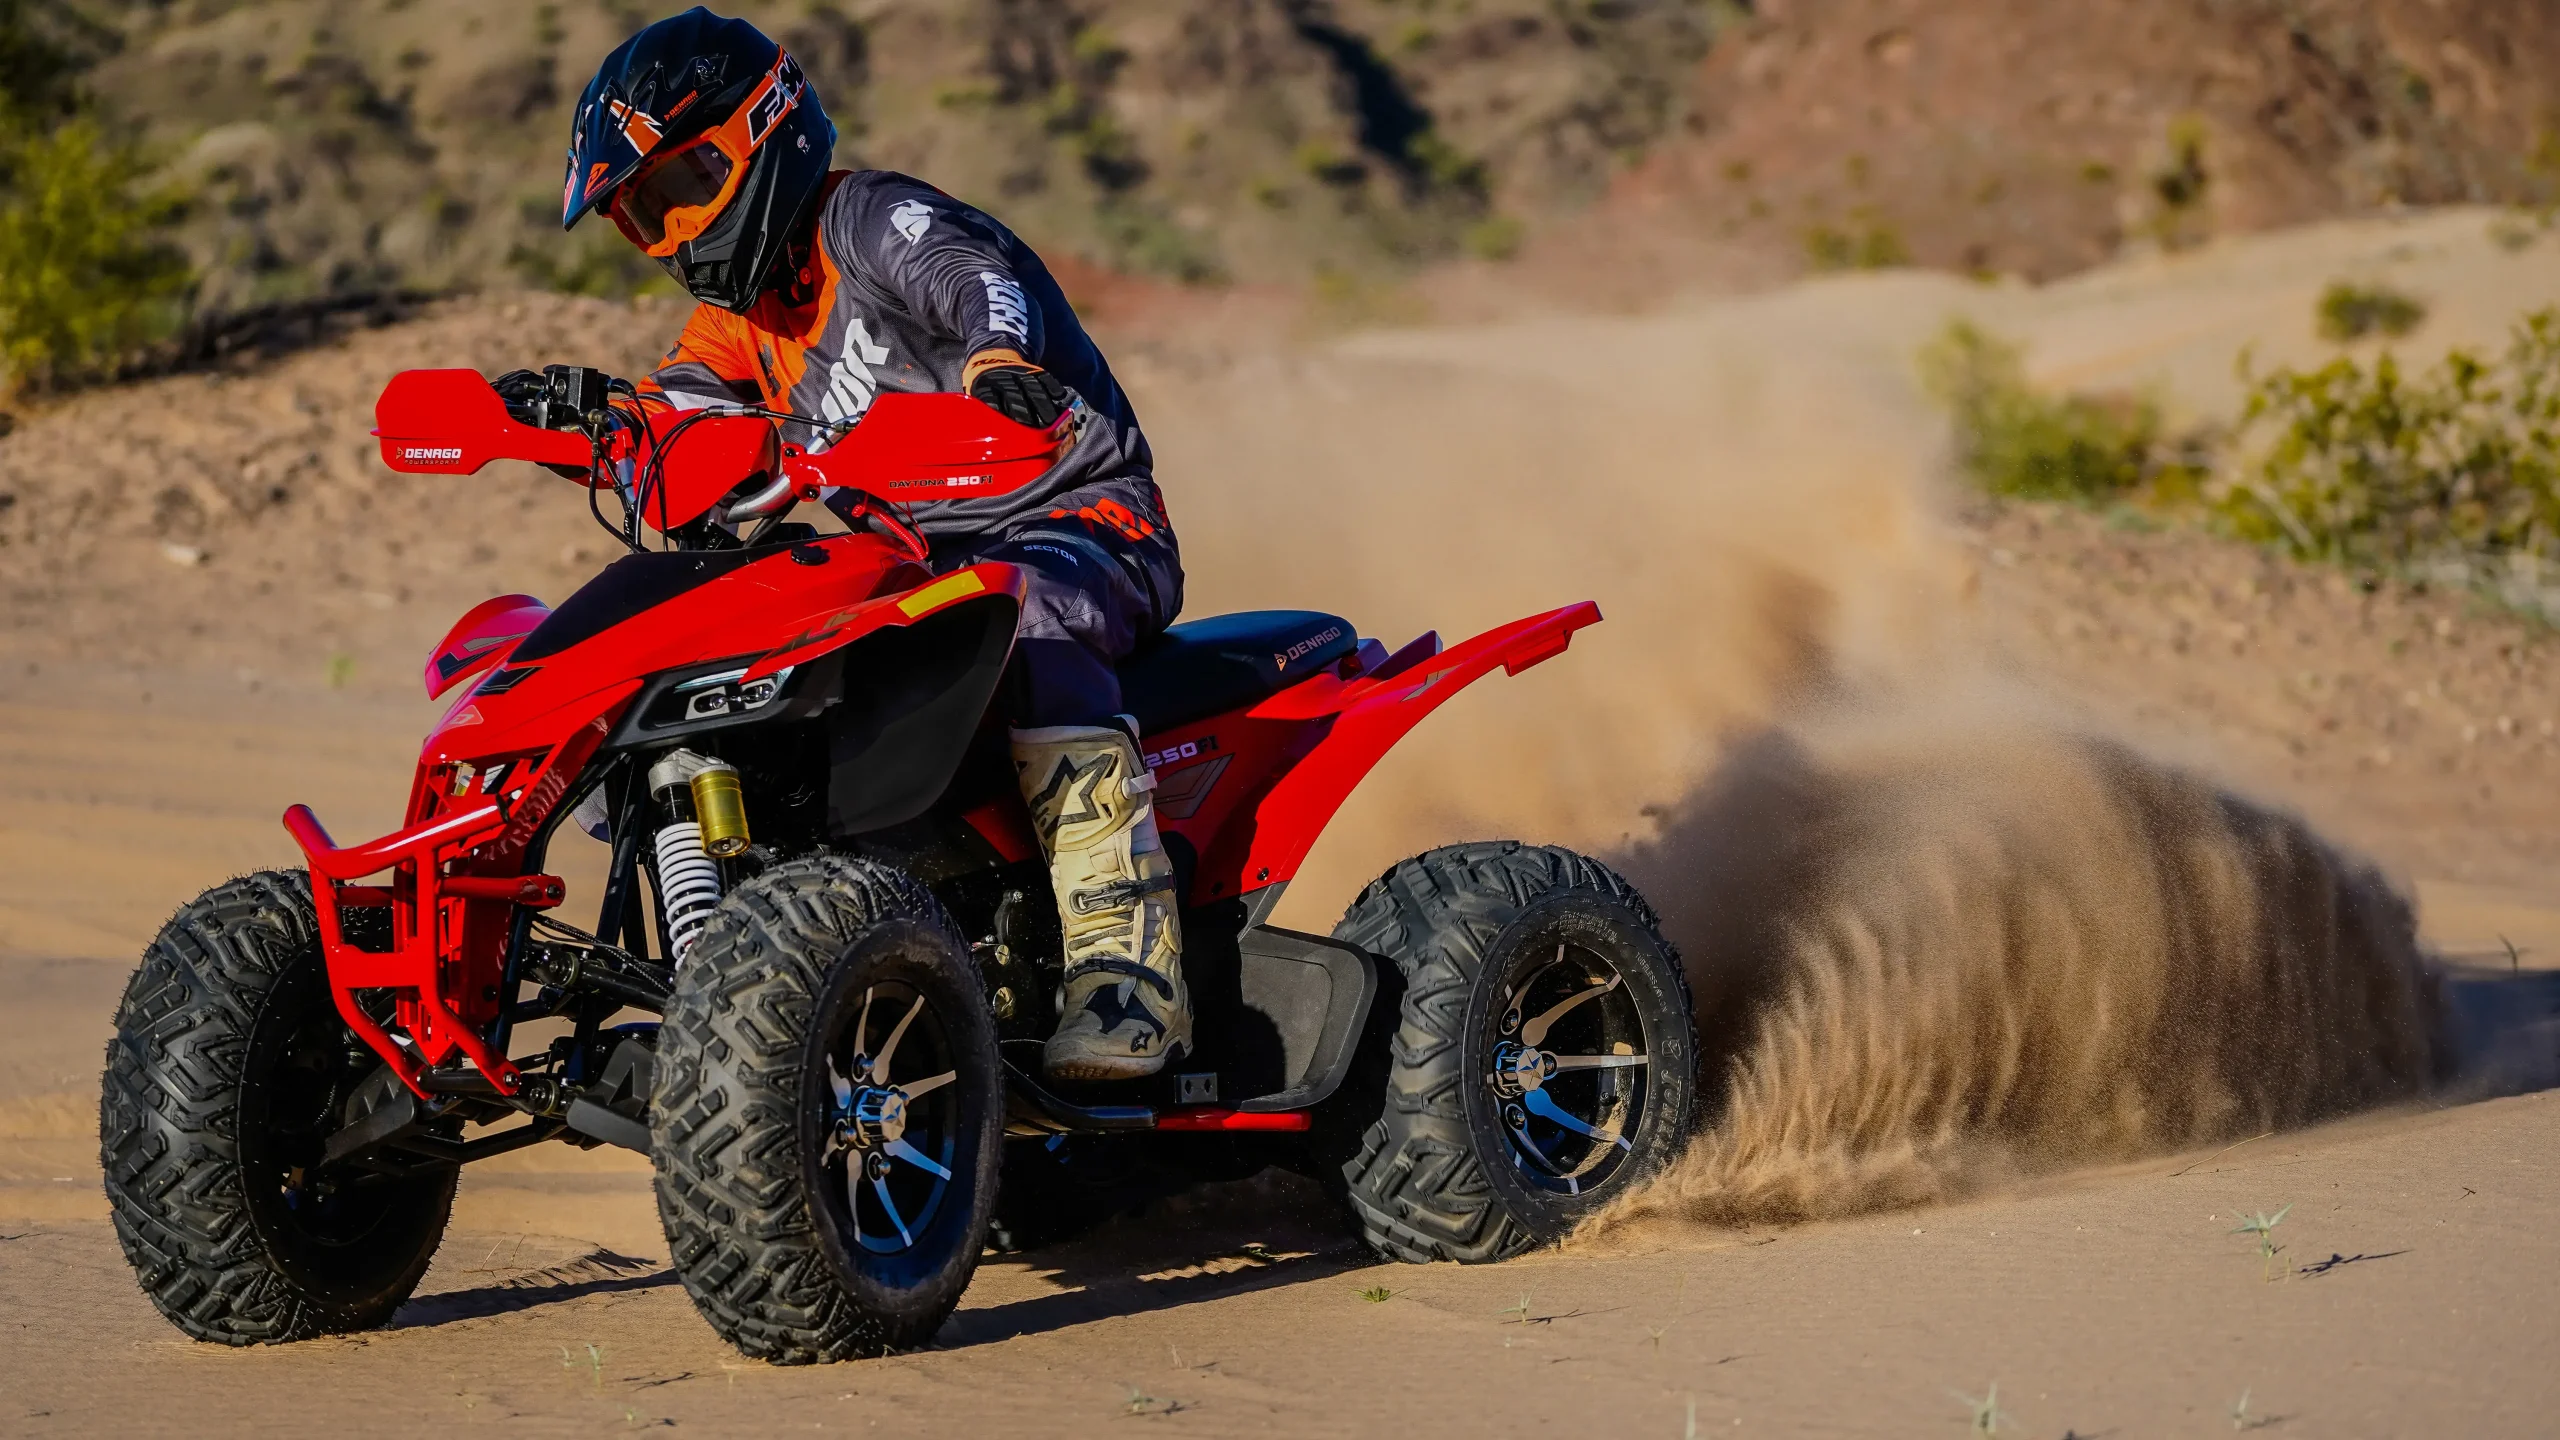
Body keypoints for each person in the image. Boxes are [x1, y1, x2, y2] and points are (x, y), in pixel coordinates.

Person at [560, 8, 1187, 1082]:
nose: (674, 232)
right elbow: (678, 426)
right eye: (644, 215)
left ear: (763, 136)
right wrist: (588, 428)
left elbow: (973, 277)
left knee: (1018, 610)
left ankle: (1129, 975)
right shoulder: (739, 324)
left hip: (1078, 519)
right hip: (915, 569)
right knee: (717, 657)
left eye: (684, 186)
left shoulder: (869, 219)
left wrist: (995, 357)